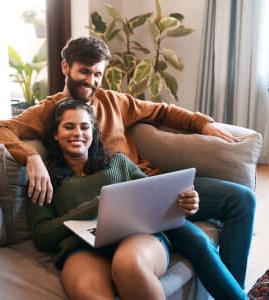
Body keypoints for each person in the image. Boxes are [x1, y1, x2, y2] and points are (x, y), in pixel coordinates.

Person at [0, 36, 256, 289]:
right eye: (84, 71)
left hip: (151, 186)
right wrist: (31, 157)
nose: (91, 81)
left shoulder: (115, 101)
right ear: (66, 67)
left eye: (97, 74)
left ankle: (237, 290)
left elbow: (161, 112)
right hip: (116, 210)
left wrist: (202, 124)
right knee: (194, 240)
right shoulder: (50, 111)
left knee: (242, 199)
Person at [26, 98, 247, 299]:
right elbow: (42, 235)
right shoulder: (44, 178)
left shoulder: (118, 162)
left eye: (85, 127)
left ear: (93, 132)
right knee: (90, 294)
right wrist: (95, 206)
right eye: (68, 127)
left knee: (130, 266)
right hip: (81, 248)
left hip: (136, 237)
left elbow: (156, 198)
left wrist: (185, 203)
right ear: (55, 133)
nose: (78, 133)